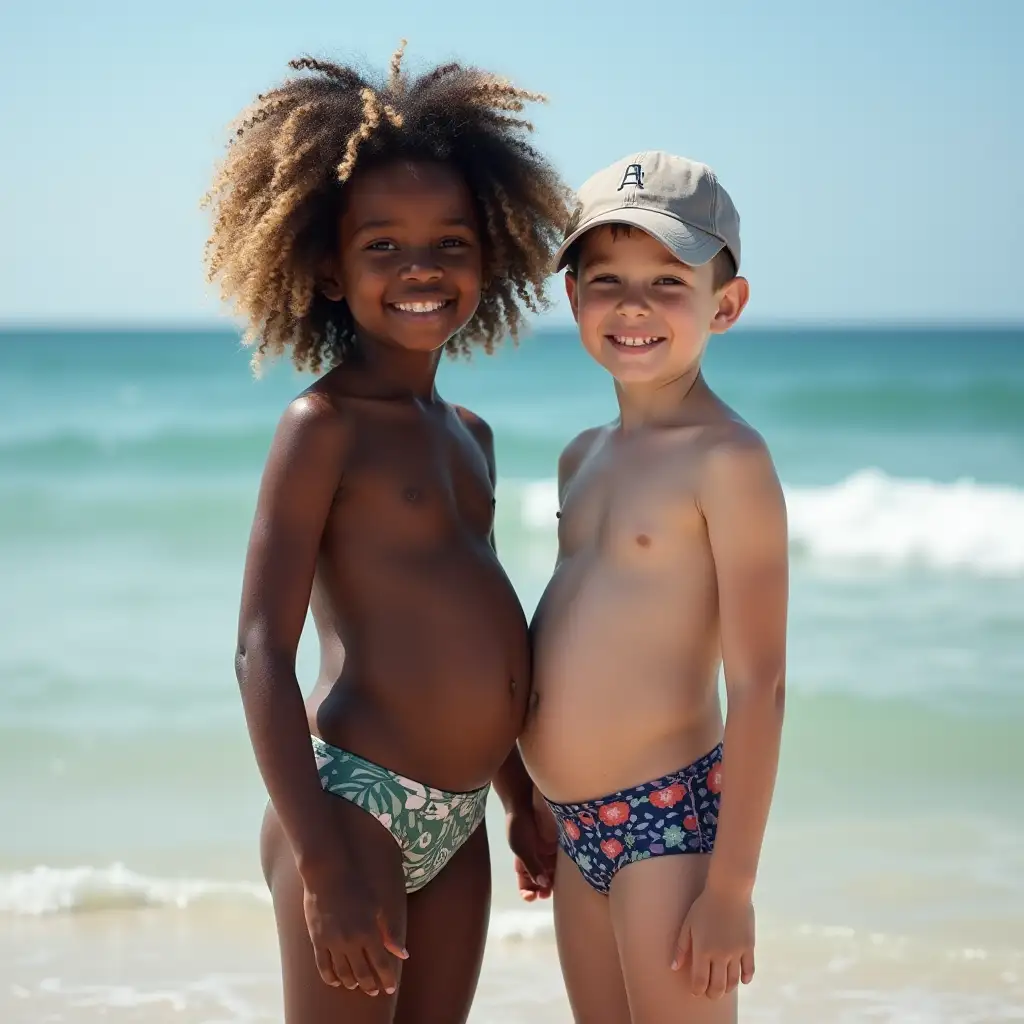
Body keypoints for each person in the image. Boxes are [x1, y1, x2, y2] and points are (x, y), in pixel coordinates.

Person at [203, 41, 568, 1024]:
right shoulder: (321, 429)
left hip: (462, 816)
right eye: (383, 246)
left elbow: (466, 628)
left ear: (488, 254)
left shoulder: (471, 437)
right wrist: (321, 860)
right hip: (351, 805)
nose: (422, 269)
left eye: (450, 243)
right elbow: (257, 649)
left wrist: (520, 796)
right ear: (327, 265)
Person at [519, 151, 788, 1023]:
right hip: (573, 824)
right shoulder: (581, 456)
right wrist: (534, 797)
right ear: (572, 299)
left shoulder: (727, 459)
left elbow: (759, 683)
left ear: (726, 305)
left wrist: (731, 888)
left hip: (668, 828)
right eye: (606, 280)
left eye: (667, 282)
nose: (633, 306)